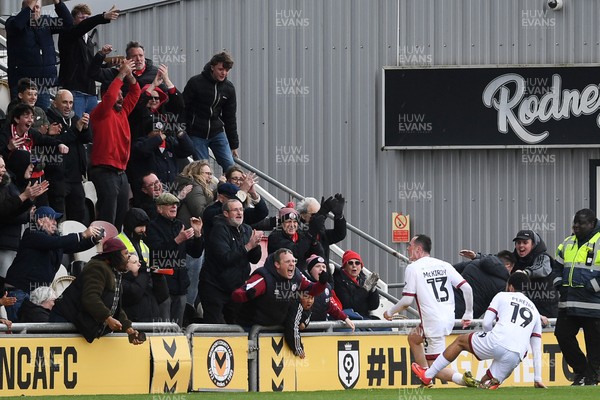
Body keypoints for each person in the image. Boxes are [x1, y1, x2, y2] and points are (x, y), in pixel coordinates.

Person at [412, 272, 545, 389]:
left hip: (496, 341)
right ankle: (490, 381)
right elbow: (537, 349)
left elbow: (487, 322)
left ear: (510, 286)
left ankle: (427, 375)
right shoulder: (535, 311)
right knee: (484, 384)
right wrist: (537, 378)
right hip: (516, 355)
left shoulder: (502, 295)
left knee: (460, 342)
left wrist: (489, 338)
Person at [383, 234, 474, 387]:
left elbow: (406, 301)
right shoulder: (444, 265)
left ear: (418, 249)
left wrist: (389, 312)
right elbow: (467, 288)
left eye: (410, 246)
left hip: (432, 322)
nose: (407, 249)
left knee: (435, 368)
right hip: (446, 318)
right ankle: (426, 378)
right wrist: (468, 313)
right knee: (413, 338)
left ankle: (464, 380)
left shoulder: (413, 268)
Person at [3, 205, 101, 321]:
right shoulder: (31, 234)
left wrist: (93, 240)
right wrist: (82, 234)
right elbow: (56, 242)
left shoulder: (54, 240)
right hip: (20, 292)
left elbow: (73, 245)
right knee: (17, 330)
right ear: (39, 221)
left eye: (56, 219)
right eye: (51, 219)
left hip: (36, 293)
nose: (55, 222)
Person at [50, 238, 144, 344]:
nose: (129, 257)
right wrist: (107, 318)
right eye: (126, 254)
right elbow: (90, 297)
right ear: (114, 256)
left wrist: (128, 329)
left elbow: (114, 307)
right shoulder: (97, 267)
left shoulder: (114, 272)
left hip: (77, 321)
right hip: (65, 319)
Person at [88, 60, 140, 230]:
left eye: (121, 94)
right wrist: (121, 74)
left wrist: (130, 75)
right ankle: (104, 251)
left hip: (120, 172)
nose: (121, 97)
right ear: (105, 95)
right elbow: (110, 97)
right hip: (104, 170)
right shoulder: (100, 112)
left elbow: (136, 92)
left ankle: (115, 250)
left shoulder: (123, 111)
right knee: (107, 216)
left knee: (120, 215)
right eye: (118, 93)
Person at [554, 208, 600, 386]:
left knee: (594, 344)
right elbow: (556, 267)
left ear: (592, 223)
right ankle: (581, 371)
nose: (576, 226)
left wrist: (593, 286)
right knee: (562, 335)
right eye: (575, 223)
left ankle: (592, 377)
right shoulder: (567, 243)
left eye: (581, 223)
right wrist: (559, 284)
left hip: (593, 304)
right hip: (568, 302)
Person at [199, 199, 263, 324]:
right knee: (216, 329)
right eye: (235, 210)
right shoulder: (218, 230)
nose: (240, 213)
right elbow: (225, 259)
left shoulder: (247, 229)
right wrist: (248, 246)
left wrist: (255, 246)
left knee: (235, 328)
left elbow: (254, 259)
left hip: (236, 288)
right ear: (226, 213)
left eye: (241, 209)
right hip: (214, 287)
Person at [145, 192, 203, 326]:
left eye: (176, 204)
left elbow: (195, 253)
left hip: (180, 285)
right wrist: (177, 240)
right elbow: (156, 253)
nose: (174, 207)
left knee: (177, 327)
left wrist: (198, 234)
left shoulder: (179, 225)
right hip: (163, 287)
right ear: (159, 208)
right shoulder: (152, 227)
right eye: (169, 204)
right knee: (162, 328)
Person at [231, 248, 328, 327]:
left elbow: (312, 290)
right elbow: (237, 294)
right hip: (251, 327)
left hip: (275, 328)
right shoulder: (263, 279)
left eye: (294, 261)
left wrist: (322, 283)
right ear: (277, 264)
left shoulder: (297, 275)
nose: (292, 264)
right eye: (288, 262)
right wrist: (247, 294)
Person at [6, 0, 73, 109]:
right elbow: (17, 25)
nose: (34, 10)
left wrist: (58, 3)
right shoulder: (13, 22)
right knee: (21, 117)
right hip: (22, 84)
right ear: (24, 9)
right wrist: (31, 5)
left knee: (42, 119)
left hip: (42, 85)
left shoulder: (45, 23)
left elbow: (68, 23)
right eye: (31, 7)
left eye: (37, 7)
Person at [58, 4, 119, 117]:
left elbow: (92, 67)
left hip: (90, 93)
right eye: (82, 18)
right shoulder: (68, 34)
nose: (85, 21)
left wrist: (108, 64)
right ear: (73, 19)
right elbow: (83, 27)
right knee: (77, 127)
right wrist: (103, 17)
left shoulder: (88, 41)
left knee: (90, 129)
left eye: (87, 17)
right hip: (75, 91)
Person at [183, 51, 238, 172]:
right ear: (212, 67)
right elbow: (183, 108)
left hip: (217, 132)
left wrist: (234, 145)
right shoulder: (195, 82)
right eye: (221, 69)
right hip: (196, 133)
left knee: (231, 166)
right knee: (203, 170)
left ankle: (232, 190)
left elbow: (230, 117)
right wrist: (184, 133)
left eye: (227, 70)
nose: (224, 73)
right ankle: (205, 191)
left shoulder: (228, 88)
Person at [0, 153, 48, 288]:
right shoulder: (7, 186)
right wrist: (27, 212)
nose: (32, 167)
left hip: (11, 242)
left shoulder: (13, 186)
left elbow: (13, 210)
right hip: (4, 243)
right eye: (30, 164)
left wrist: (29, 199)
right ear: (20, 164)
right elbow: (5, 212)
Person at [45, 89, 92, 221]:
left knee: (79, 216)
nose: (68, 106)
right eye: (64, 102)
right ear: (55, 103)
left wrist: (86, 127)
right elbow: (55, 143)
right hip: (57, 177)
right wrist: (76, 129)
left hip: (76, 177)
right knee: (58, 218)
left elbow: (86, 139)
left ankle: (77, 240)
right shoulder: (49, 119)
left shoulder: (75, 118)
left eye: (71, 102)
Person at [175, 160, 216, 309]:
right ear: (196, 173)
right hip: (191, 238)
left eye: (211, 174)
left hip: (192, 238)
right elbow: (201, 212)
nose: (210, 177)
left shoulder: (197, 187)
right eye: (207, 173)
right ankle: (188, 309)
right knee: (192, 278)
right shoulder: (195, 187)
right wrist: (217, 201)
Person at [453, 249, 514, 319]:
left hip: (447, 307)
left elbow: (449, 270)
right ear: (508, 265)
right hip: (466, 318)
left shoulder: (475, 263)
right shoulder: (503, 286)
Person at [512, 229, 558, 318]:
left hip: (547, 311)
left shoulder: (543, 257)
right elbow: (498, 260)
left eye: (525, 243)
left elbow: (542, 269)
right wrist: (477, 257)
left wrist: (525, 273)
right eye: (518, 242)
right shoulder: (513, 259)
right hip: (524, 312)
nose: (521, 245)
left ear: (533, 244)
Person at [89, 41, 163, 95]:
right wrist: (101, 54)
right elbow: (93, 73)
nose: (138, 59)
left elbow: (164, 93)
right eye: (134, 56)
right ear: (127, 58)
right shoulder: (116, 73)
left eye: (141, 55)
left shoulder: (155, 72)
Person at [303, 254, 355, 330]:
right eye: (317, 266)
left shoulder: (327, 287)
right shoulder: (304, 285)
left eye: (324, 267)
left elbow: (330, 306)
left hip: (321, 330)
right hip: (304, 330)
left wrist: (345, 318)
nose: (321, 269)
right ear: (310, 270)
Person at [202, 182, 268, 238]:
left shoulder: (240, 212)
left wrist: (254, 194)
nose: (239, 212)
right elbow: (222, 212)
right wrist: (243, 192)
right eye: (233, 199)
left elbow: (262, 213)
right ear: (221, 198)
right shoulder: (210, 211)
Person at [268, 207, 324, 271]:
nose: (292, 225)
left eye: (294, 222)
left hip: (297, 275)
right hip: (277, 277)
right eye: (288, 222)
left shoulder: (300, 234)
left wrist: (314, 241)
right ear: (281, 224)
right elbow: (294, 252)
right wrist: (310, 234)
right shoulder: (275, 237)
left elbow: (318, 254)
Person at [297, 195, 347, 266]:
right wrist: (322, 212)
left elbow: (339, 234)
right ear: (303, 215)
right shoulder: (297, 231)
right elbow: (310, 234)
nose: (317, 217)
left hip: (324, 273)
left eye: (318, 213)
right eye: (314, 214)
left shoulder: (321, 233)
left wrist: (339, 216)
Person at [121, 253, 169, 322]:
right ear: (125, 266)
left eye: (139, 262)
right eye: (135, 262)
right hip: (136, 326)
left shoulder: (144, 281)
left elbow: (162, 296)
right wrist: (144, 272)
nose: (139, 264)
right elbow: (135, 293)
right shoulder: (122, 282)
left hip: (152, 324)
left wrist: (158, 278)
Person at [333, 250, 380, 320]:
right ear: (344, 266)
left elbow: (373, 306)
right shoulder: (338, 281)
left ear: (361, 266)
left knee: (387, 328)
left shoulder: (364, 279)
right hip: (348, 319)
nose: (354, 265)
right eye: (350, 263)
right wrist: (365, 289)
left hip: (364, 317)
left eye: (357, 263)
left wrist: (373, 291)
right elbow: (349, 305)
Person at [284, 292, 314, 358]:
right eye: (306, 297)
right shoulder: (296, 305)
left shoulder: (307, 307)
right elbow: (292, 328)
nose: (309, 301)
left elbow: (309, 314)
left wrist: (305, 323)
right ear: (299, 296)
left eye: (312, 298)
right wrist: (298, 349)